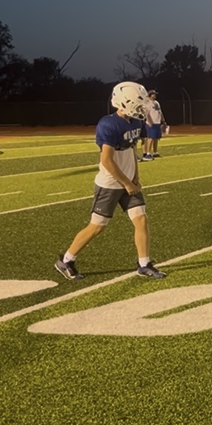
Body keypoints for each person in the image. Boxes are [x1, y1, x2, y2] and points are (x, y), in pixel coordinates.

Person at [54, 81, 165, 281]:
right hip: (110, 183)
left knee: (141, 219)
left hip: (128, 181)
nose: (141, 109)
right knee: (97, 226)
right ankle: (67, 260)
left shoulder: (135, 122)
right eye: (138, 104)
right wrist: (127, 183)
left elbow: (131, 150)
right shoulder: (108, 123)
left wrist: (136, 177)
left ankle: (144, 264)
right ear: (125, 102)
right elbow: (107, 160)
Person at [141, 89, 166, 160]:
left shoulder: (156, 102)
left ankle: (155, 152)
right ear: (150, 95)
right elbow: (146, 113)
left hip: (157, 122)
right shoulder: (147, 103)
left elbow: (160, 112)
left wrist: (163, 120)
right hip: (151, 123)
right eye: (153, 94)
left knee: (156, 138)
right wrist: (149, 121)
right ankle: (148, 153)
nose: (155, 95)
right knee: (151, 138)